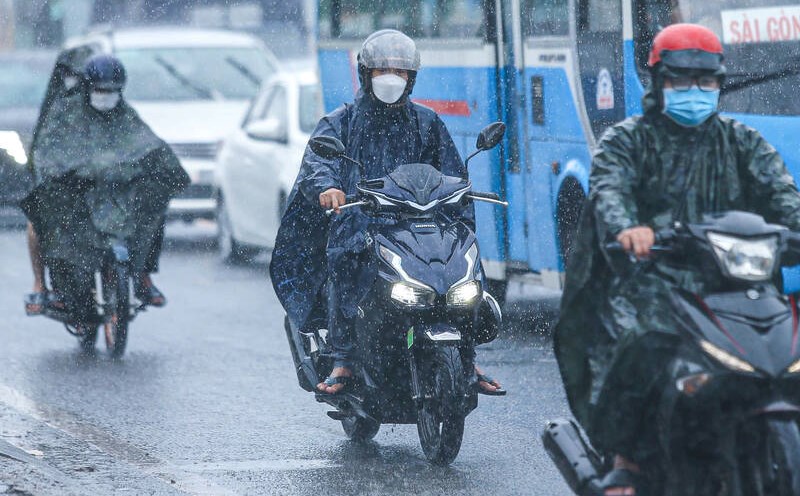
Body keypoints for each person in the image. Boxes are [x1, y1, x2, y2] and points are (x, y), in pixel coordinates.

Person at [553, 23, 800, 496]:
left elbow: (782, 195)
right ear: (658, 82)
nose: (694, 91)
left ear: (719, 84)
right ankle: (627, 456)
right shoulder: (628, 140)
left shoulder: (742, 141)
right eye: (681, 80)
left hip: (735, 281)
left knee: (787, 343)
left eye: (705, 81)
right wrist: (629, 229)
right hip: (656, 279)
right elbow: (610, 190)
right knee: (644, 340)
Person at [270, 29, 504, 395]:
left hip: (417, 223)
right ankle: (344, 360)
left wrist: (458, 196)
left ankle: (467, 358)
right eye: (382, 71)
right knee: (343, 259)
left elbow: (451, 172)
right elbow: (319, 162)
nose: (390, 78)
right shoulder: (342, 121)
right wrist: (329, 188)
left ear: (412, 78)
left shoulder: (427, 123)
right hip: (362, 223)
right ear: (366, 74)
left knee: (465, 256)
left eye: (400, 71)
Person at [22, 53, 189, 320]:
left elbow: (148, 145)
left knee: (152, 209)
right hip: (74, 192)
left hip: (115, 193)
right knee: (39, 219)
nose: (106, 96)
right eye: (100, 90)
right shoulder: (66, 112)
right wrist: (60, 173)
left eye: (112, 91)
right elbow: (47, 149)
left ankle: (143, 276)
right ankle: (40, 285)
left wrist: (162, 170)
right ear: (88, 87)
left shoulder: (125, 114)